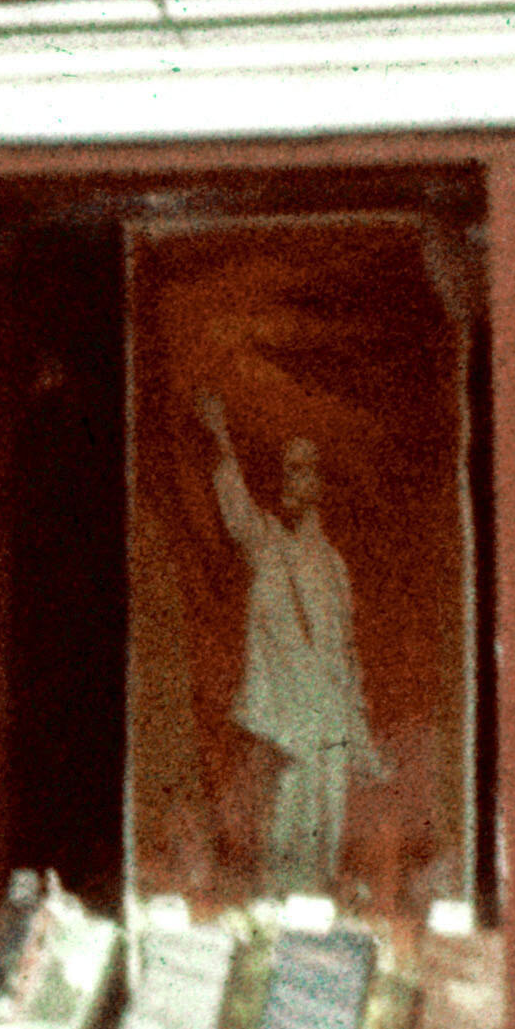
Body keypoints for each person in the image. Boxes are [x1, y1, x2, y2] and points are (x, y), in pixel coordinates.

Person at [199, 383, 380, 901]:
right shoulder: (271, 544)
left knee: (327, 837)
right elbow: (237, 513)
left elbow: (346, 654)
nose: (290, 479)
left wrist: (355, 724)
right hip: (289, 719)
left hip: (330, 717)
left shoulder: (335, 567)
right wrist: (220, 439)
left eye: (302, 469)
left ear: (320, 483)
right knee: (285, 835)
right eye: (287, 468)